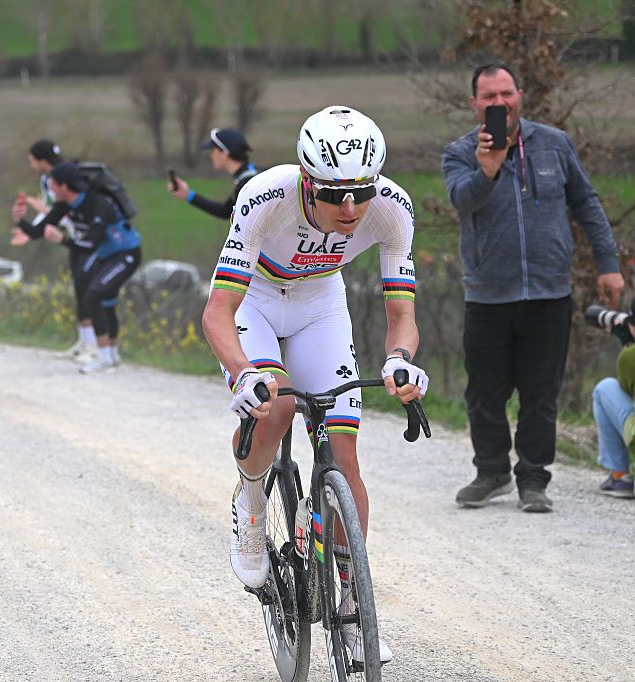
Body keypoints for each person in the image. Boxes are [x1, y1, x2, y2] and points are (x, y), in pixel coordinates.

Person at [202, 106, 427, 664]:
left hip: (320, 304)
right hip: (254, 300)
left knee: (345, 458)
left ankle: (353, 609)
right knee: (274, 409)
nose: (350, 209)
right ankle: (252, 501)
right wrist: (245, 372)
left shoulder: (393, 209)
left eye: (361, 192)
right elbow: (217, 312)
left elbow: (402, 314)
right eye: (333, 195)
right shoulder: (264, 196)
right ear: (306, 181)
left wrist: (400, 361)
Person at [441, 63, 624, 513]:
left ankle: (533, 479)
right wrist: (487, 170)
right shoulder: (460, 152)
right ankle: (491, 471)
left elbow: (585, 200)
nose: (499, 102)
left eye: (506, 93)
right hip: (488, 294)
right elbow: (461, 201)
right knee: (485, 392)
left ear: (520, 95)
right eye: (489, 96)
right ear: (475, 104)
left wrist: (607, 263)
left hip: (549, 292)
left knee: (541, 393)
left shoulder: (554, 144)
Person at [14, 162, 142, 374]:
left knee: (94, 295)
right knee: (106, 301)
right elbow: (38, 232)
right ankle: (111, 355)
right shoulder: (64, 205)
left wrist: (62, 240)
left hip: (126, 253)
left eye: (53, 185)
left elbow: (90, 244)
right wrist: (19, 220)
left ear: (65, 186)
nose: (50, 190)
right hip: (105, 256)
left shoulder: (98, 204)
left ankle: (102, 356)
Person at [11, 139, 96, 362]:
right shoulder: (48, 179)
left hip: (83, 235)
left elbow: (63, 208)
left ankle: (94, 345)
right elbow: (54, 213)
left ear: (42, 160)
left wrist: (40, 214)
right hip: (69, 235)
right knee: (79, 287)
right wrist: (31, 229)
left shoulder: (59, 177)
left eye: (32, 161)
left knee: (88, 289)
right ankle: (84, 342)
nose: (31, 165)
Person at [168, 127, 259, 220]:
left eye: (213, 151)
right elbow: (225, 211)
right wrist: (187, 194)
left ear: (224, 153)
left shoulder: (247, 184)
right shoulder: (250, 175)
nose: (210, 155)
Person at [591, 314, 635, 498]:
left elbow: (627, 390)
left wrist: (628, 345)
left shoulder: (629, 357)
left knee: (605, 389)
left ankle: (620, 476)